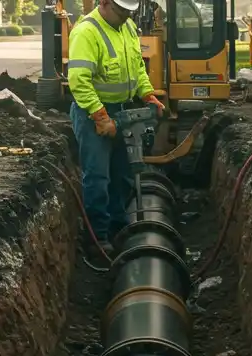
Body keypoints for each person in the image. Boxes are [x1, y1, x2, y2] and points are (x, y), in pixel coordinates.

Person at [66, 0, 165, 253]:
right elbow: (79, 80)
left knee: (123, 173)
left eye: (129, 12)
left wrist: (147, 95)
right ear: (105, 3)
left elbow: (138, 68)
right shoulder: (87, 32)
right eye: (121, 11)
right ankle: (97, 238)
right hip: (93, 113)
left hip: (122, 110)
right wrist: (101, 117)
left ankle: (119, 228)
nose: (125, 16)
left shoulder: (128, 27)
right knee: (98, 177)